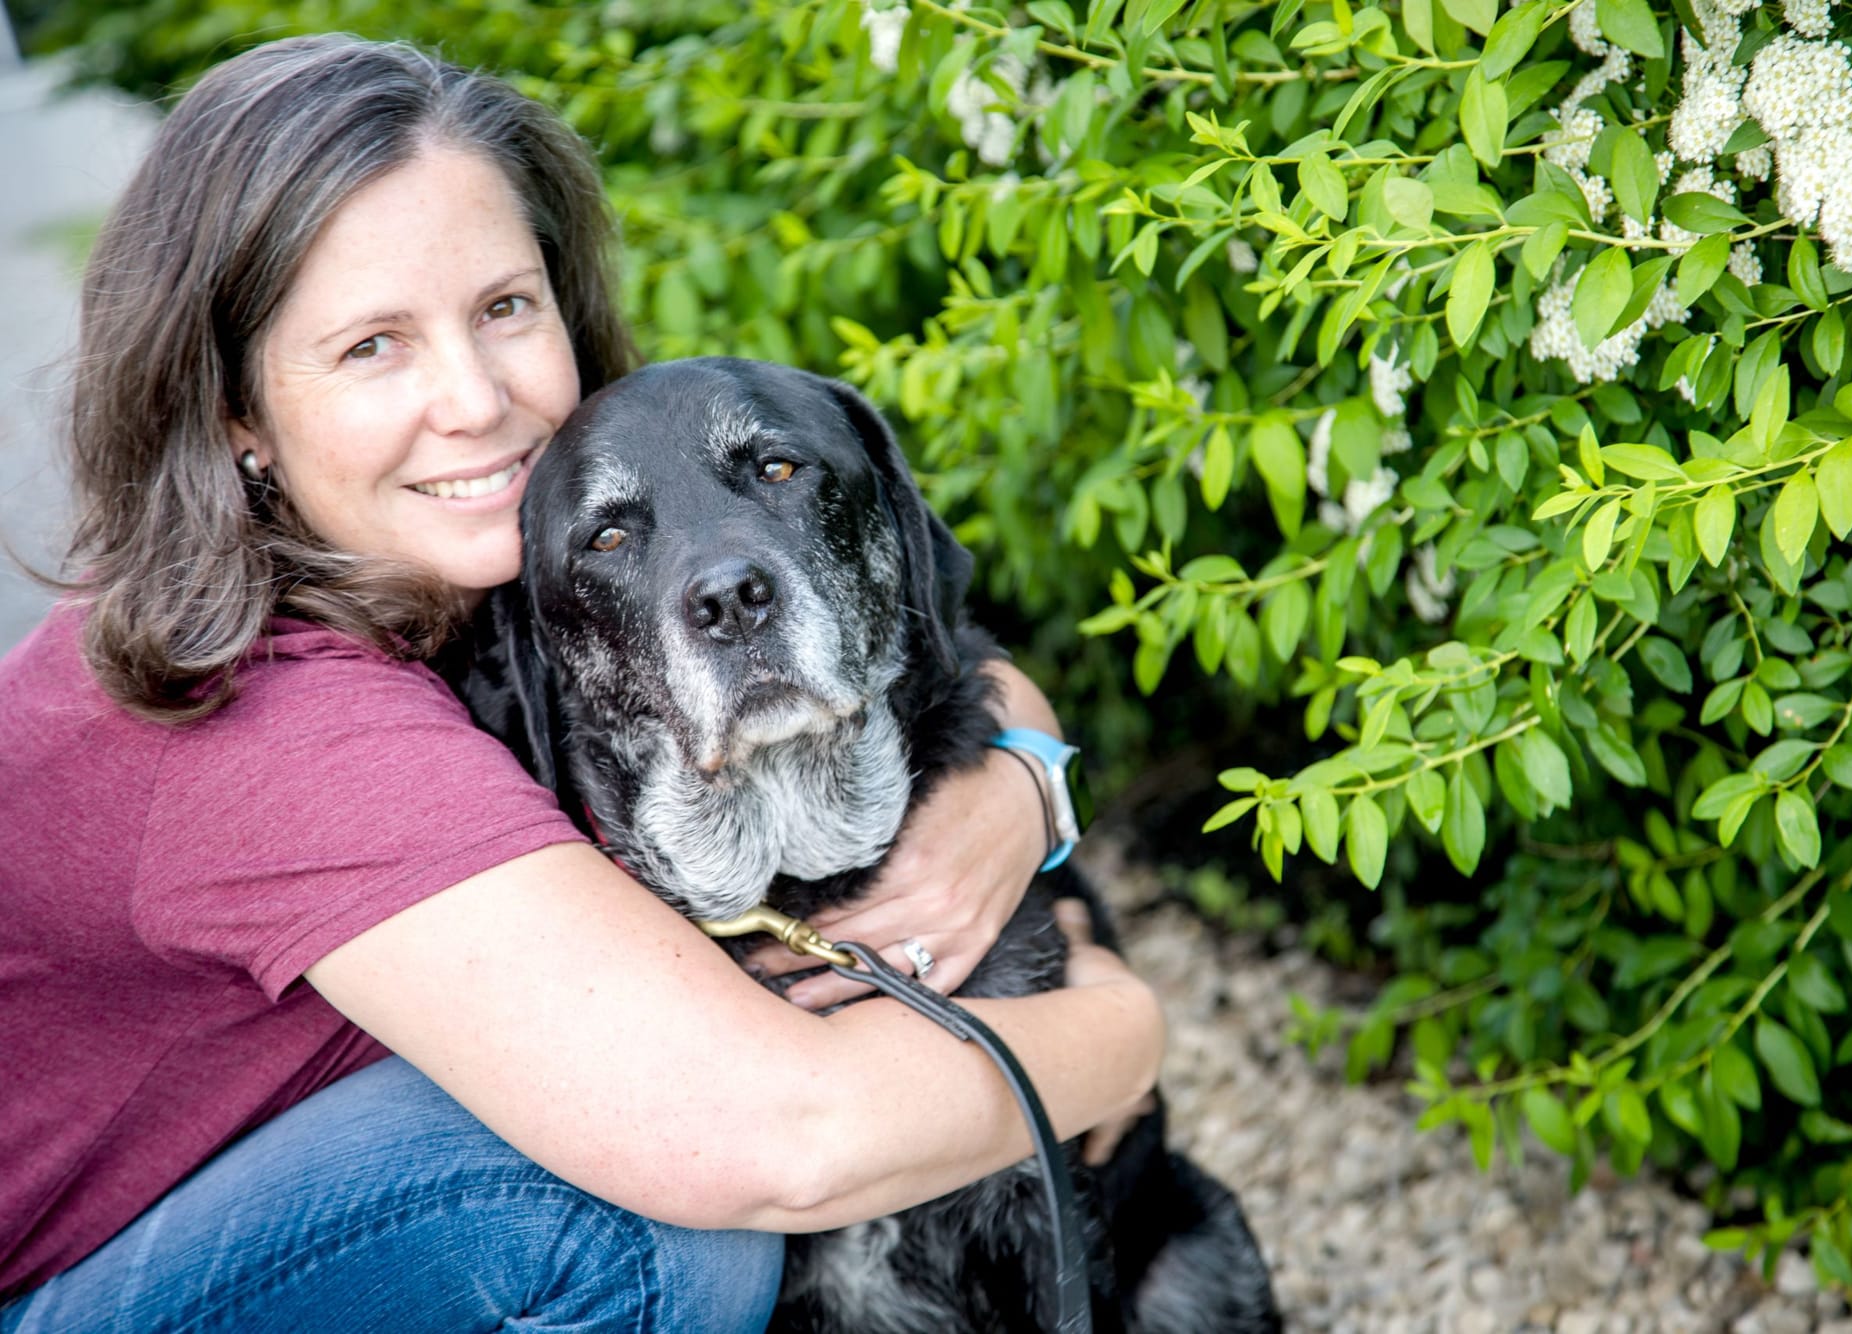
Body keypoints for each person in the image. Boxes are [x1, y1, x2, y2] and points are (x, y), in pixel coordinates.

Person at [0, 33, 1164, 1332]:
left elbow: (925, 623)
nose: (476, 399)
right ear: (237, 419)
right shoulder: (272, 723)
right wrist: (1113, 1031)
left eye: (503, 307)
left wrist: (1024, 778)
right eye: (373, 346)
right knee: (636, 1212)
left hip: (225, 1206)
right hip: (57, 1284)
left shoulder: (474, 548)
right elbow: (774, 1132)